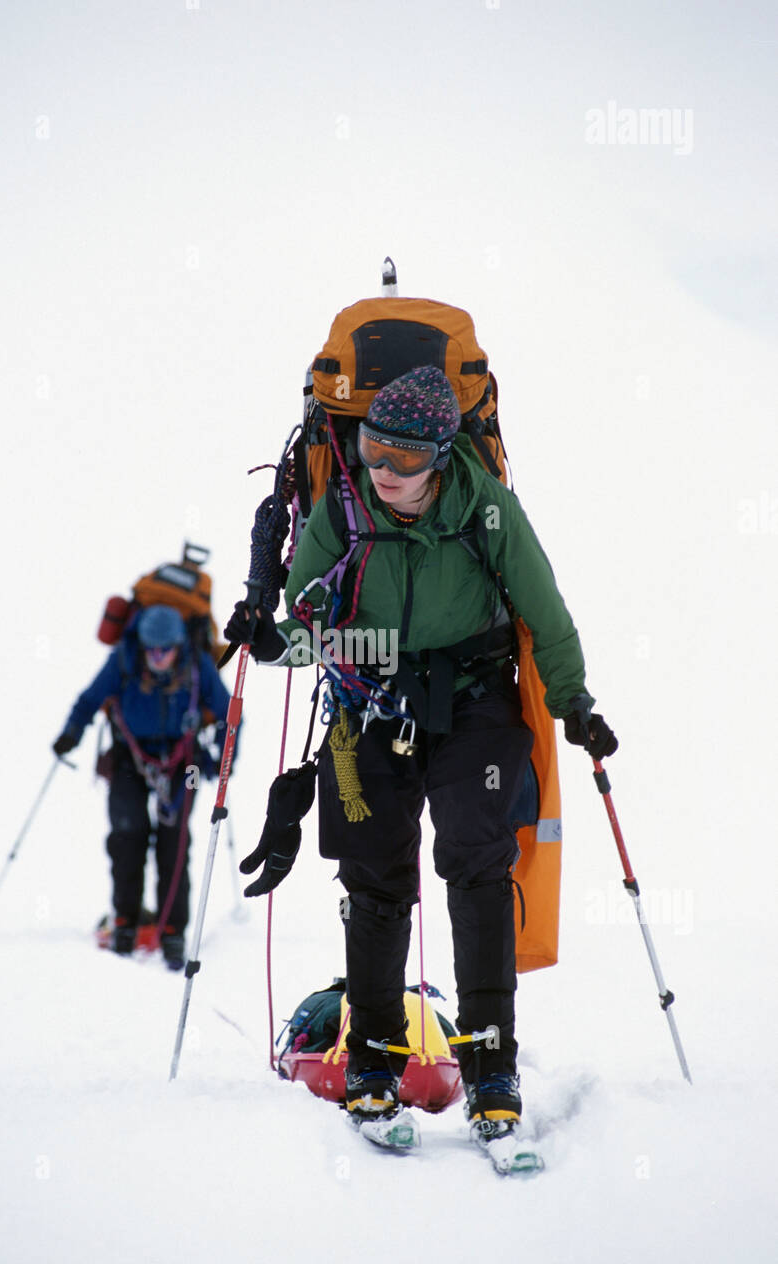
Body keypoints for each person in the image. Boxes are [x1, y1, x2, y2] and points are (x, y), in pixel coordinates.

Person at [225, 365, 617, 1143]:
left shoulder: (489, 513)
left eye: (402, 459)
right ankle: (372, 1057)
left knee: (475, 863)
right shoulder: (342, 510)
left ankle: (490, 1063)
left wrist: (573, 703)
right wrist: (271, 641)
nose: (382, 471)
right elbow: (308, 622)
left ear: (440, 457)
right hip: (365, 705)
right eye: (372, 449)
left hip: (473, 701)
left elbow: (545, 610)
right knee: (374, 876)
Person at [53, 604, 232, 969]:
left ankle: (173, 933)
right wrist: (71, 733)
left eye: (165, 649)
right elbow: (89, 700)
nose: (158, 656)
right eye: (152, 648)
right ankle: (124, 922)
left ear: (178, 646)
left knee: (176, 839)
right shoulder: (124, 659)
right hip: (128, 759)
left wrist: (225, 761)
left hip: (188, 764)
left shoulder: (197, 665)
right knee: (126, 835)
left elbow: (231, 713)